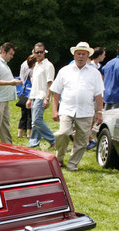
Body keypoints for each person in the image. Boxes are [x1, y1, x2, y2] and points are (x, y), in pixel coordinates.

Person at [51, 42, 104, 171]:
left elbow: (99, 94)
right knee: (63, 133)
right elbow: (56, 92)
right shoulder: (64, 71)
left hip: (86, 111)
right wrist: (54, 110)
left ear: (88, 56)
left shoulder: (95, 73)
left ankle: (72, 164)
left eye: (83, 54)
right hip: (66, 109)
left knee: (82, 140)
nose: (80, 56)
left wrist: (100, 112)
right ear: (74, 55)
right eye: (78, 53)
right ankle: (59, 158)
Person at [26, 42, 55, 149]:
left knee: (37, 120)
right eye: (37, 52)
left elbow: (50, 83)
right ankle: (33, 143)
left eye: (41, 52)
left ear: (45, 52)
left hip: (42, 96)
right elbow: (35, 85)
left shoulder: (48, 65)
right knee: (34, 122)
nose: (39, 54)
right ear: (34, 52)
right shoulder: (36, 65)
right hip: (35, 96)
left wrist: (47, 98)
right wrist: (30, 99)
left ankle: (53, 140)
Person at [16, 54, 36, 138]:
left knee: (23, 115)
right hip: (30, 95)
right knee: (30, 116)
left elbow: (21, 79)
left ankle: (20, 134)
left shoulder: (24, 65)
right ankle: (29, 134)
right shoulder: (33, 71)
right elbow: (34, 84)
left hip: (23, 93)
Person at [102, 43, 119, 110]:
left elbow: (101, 75)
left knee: (106, 119)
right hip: (117, 98)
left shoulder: (109, 63)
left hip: (107, 97)